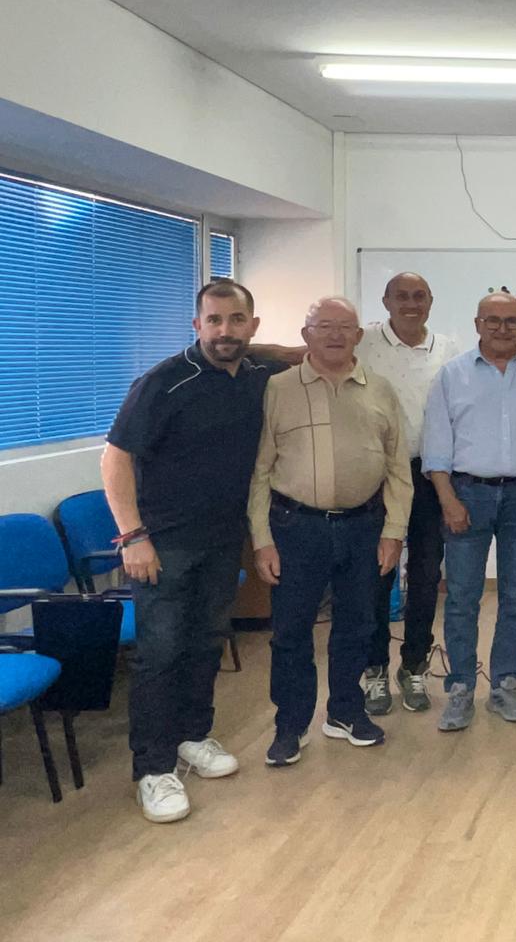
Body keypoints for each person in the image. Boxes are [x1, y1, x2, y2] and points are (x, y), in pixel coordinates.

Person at [102, 279, 279, 823]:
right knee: (160, 653)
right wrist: (133, 536)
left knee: (206, 642)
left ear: (252, 325)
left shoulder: (259, 374)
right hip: (162, 544)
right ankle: (152, 769)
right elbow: (115, 459)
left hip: (223, 540)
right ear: (197, 325)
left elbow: (308, 350)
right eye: (214, 320)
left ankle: (192, 736)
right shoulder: (162, 382)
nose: (225, 330)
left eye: (236, 319)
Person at [248, 297, 412, 767]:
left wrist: (394, 532)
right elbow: (260, 471)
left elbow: (398, 469)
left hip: (365, 527)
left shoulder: (380, 390)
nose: (335, 335)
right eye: (324, 326)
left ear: (359, 336)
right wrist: (261, 539)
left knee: (358, 625)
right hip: (295, 527)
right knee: (291, 631)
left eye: (345, 327)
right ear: (306, 335)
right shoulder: (278, 389)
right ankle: (290, 725)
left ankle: (345, 712)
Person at [421, 292, 516, 732]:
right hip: (467, 493)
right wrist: (448, 499)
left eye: (512, 321)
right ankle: (461, 688)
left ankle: (505, 683)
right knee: (463, 597)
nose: (503, 328)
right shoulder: (452, 374)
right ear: (477, 324)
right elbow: (436, 446)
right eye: (494, 320)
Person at [354, 272, 459, 717]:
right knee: (375, 576)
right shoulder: (362, 342)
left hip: (430, 475)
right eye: (401, 296)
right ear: (386, 300)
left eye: (419, 296)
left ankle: (414, 664)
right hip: (377, 477)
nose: (410, 304)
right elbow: (314, 351)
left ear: (431, 301)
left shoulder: (450, 350)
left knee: (426, 576)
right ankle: (374, 668)